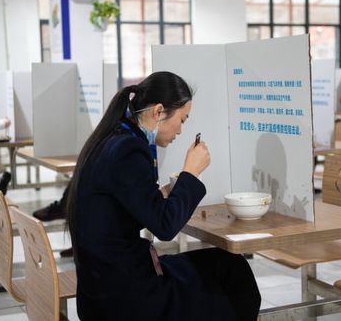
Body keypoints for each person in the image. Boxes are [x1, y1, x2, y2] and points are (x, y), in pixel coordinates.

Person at [67, 71, 261, 320]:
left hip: (101, 287)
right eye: (182, 119)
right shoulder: (129, 151)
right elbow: (165, 227)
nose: (180, 130)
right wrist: (191, 172)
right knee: (233, 275)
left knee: (229, 266)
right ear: (158, 112)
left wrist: (164, 192)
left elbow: (122, 208)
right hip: (127, 298)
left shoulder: (113, 138)